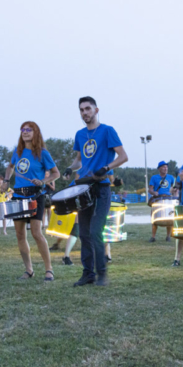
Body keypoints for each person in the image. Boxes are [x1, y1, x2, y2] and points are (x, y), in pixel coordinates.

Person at [62, 96, 128, 287]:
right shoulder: (80, 134)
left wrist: (106, 168)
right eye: (81, 110)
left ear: (96, 110)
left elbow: (123, 156)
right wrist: (70, 168)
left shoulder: (107, 131)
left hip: (102, 187)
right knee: (83, 232)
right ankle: (88, 274)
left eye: (88, 109)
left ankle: (102, 273)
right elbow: (79, 160)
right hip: (84, 188)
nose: (85, 113)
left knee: (95, 230)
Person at [1, 121, 60, 281]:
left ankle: (49, 269)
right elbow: (10, 167)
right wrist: (6, 181)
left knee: (36, 233)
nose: (25, 132)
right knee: (20, 235)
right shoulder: (17, 151)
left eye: (29, 130)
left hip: (35, 196)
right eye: (23, 130)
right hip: (18, 195)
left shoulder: (42, 153)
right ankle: (29, 270)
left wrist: (42, 181)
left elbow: (56, 173)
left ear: (36, 133)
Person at [148, 161, 176, 243]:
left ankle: (168, 236)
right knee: (154, 219)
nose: (165, 168)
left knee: (169, 218)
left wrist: (174, 192)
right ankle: (153, 237)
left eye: (166, 167)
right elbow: (150, 190)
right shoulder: (154, 177)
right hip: (158, 199)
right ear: (159, 168)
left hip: (168, 199)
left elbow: (173, 189)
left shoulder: (171, 177)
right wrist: (154, 193)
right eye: (163, 167)